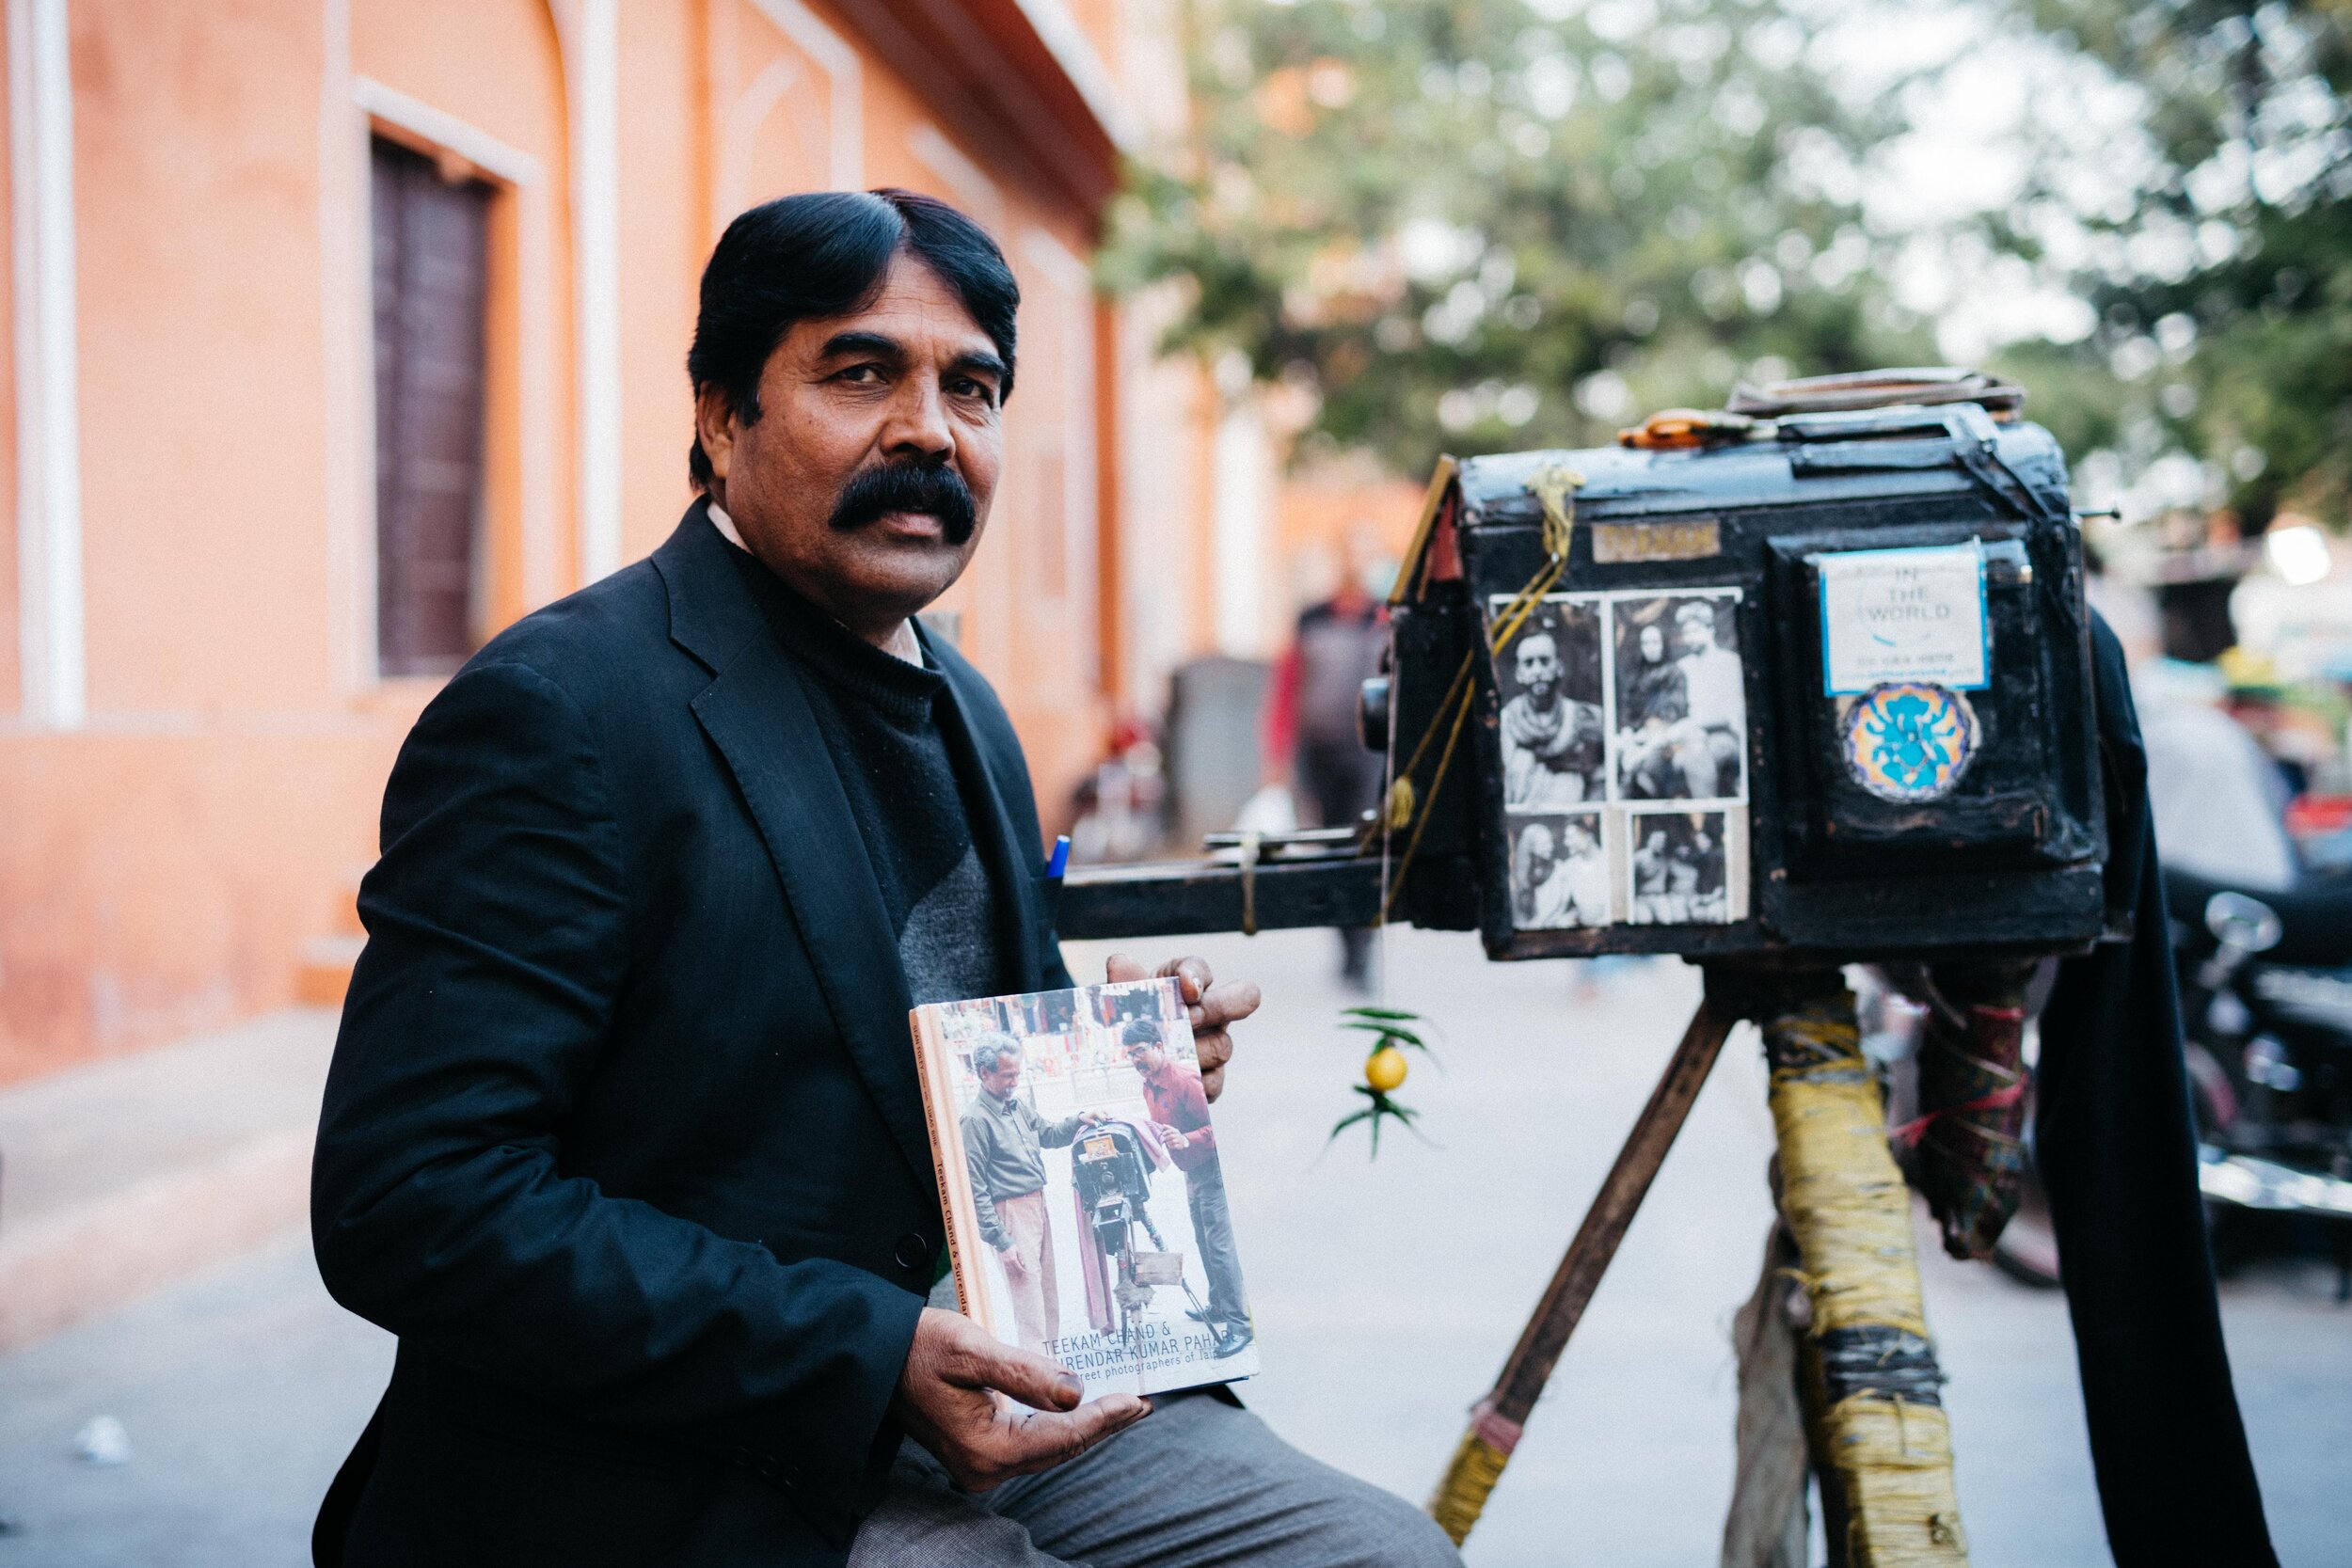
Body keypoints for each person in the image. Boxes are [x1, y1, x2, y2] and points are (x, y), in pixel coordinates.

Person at [309, 187, 1454, 1568]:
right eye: (860, 373)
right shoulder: (561, 710)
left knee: (1379, 1553)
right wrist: (864, 1350)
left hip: (997, 1374)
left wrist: (1116, 1069)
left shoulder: (966, 704)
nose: (928, 430)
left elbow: (947, 1070)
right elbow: (411, 1199)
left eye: (971, 389)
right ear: (724, 414)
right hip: (674, 1448)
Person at [1263, 533, 1389, 987]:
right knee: (1329, 850)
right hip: (1318, 753)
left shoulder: (1386, 616)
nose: (1356, 565)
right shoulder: (1311, 619)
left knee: (1361, 848)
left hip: (1369, 754)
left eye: (1364, 555)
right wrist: (1276, 753)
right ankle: (1345, 945)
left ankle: (1362, 949)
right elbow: (1287, 687)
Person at [961, 1034, 1100, 1355]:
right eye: (1007, 1075)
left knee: (1047, 1292)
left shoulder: (1016, 1105)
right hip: (1011, 1213)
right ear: (984, 1073)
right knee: (1029, 1301)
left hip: (1038, 1204)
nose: (1014, 1081)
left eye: (1017, 1073)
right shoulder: (975, 1120)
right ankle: (1039, 1379)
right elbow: (974, 1186)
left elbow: (1048, 1133)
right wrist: (1001, 1241)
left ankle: (1050, 1369)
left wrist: (1079, 1120)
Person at [1120, 1018, 1250, 1356]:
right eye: (1130, 1054)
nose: (1136, 1059)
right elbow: (1161, 1127)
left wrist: (1186, 1138)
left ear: (1159, 1047)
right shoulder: (1148, 1085)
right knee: (1204, 1242)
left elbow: (1219, 1128)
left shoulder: (1184, 1080)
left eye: (1141, 1051)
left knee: (1220, 1248)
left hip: (1213, 1171)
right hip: (1192, 1173)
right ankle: (1219, 1304)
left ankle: (1241, 1327)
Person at [1499, 626, 1604, 809]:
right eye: (1529, 663)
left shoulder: (1581, 717)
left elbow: (1601, 775)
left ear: (1559, 667)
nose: (1538, 671)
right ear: (1519, 674)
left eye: (1545, 661)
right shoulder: (1507, 721)